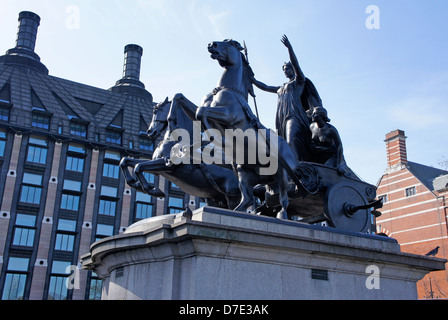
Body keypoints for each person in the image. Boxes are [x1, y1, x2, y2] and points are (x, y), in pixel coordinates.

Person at [251, 35, 313, 163]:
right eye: (284, 70)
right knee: (283, 144)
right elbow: (265, 87)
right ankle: (290, 169)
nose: (285, 71)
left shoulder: (298, 82)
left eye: (287, 69)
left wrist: (289, 48)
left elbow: (296, 65)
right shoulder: (281, 88)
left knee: (291, 141)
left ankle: (296, 169)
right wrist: (251, 78)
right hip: (282, 119)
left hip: (294, 116)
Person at [309, 107, 350, 176]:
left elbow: (339, 146)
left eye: (315, 114)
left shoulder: (331, 130)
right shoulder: (311, 127)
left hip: (332, 156)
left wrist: (339, 163)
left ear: (321, 116)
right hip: (319, 156)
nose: (312, 116)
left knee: (324, 171)